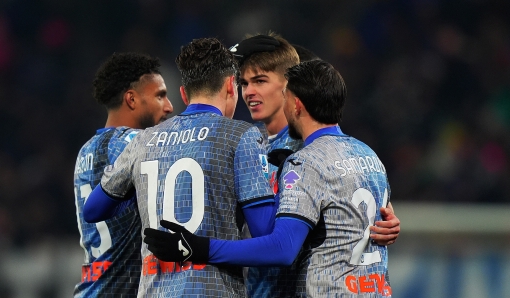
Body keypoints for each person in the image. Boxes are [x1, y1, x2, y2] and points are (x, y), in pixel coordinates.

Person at [144, 59, 393, 297]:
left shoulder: (306, 162)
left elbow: (283, 248)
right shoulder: (369, 155)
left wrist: (200, 249)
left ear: (296, 105)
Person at [83, 37, 276, 297]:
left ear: (184, 94)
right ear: (231, 86)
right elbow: (266, 235)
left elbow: (93, 209)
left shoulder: (144, 140)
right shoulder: (240, 136)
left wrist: (143, 194)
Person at [231, 33, 400, 297]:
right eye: (244, 83)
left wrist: (383, 222)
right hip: (254, 288)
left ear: (290, 89)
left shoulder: (310, 147)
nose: (249, 92)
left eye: (260, 81)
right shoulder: (244, 144)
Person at [73, 52, 173, 297]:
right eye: (160, 95)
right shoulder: (138, 143)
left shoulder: (85, 151)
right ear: (131, 99)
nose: (169, 106)